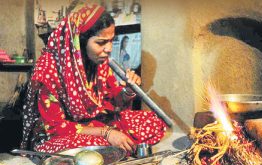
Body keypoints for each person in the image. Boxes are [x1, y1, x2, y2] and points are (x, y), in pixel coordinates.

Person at [21, 3, 166, 154]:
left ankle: (112, 149)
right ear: (80, 41)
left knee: (151, 120)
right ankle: (110, 150)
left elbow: (114, 102)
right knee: (95, 145)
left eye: (111, 40)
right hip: (59, 134)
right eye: (101, 42)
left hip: (95, 124)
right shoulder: (47, 70)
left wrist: (128, 90)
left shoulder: (98, 62)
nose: (109, 49)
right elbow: (55, 127)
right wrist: (107, 133)